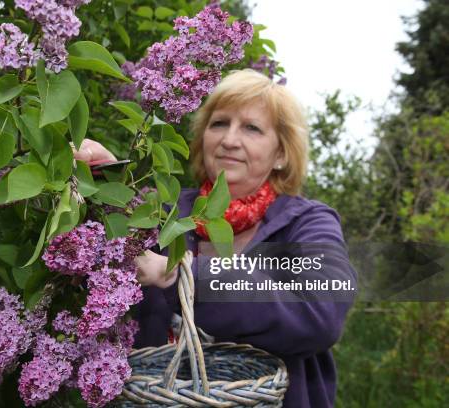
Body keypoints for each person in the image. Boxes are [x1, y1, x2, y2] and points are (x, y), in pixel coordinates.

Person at [74, 69, 356, 408]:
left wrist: (182, 274)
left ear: (281, 154)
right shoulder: (164, 214)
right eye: (219, 123)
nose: (229, 140)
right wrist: (105, 183)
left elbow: (320, 314)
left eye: (251, 128)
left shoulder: (306, 224)